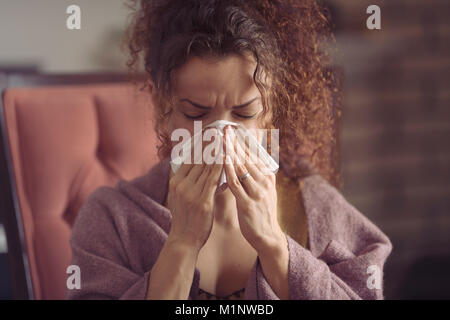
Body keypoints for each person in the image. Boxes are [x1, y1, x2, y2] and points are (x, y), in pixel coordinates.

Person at [67, 0, 392, 300]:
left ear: (270, 112)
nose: (222, 137)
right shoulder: (113, 218)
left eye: (244, 113)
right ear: (161, 104)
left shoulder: (316, 209)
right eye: (196, 113)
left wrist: (275, 246)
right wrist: (182, 241)